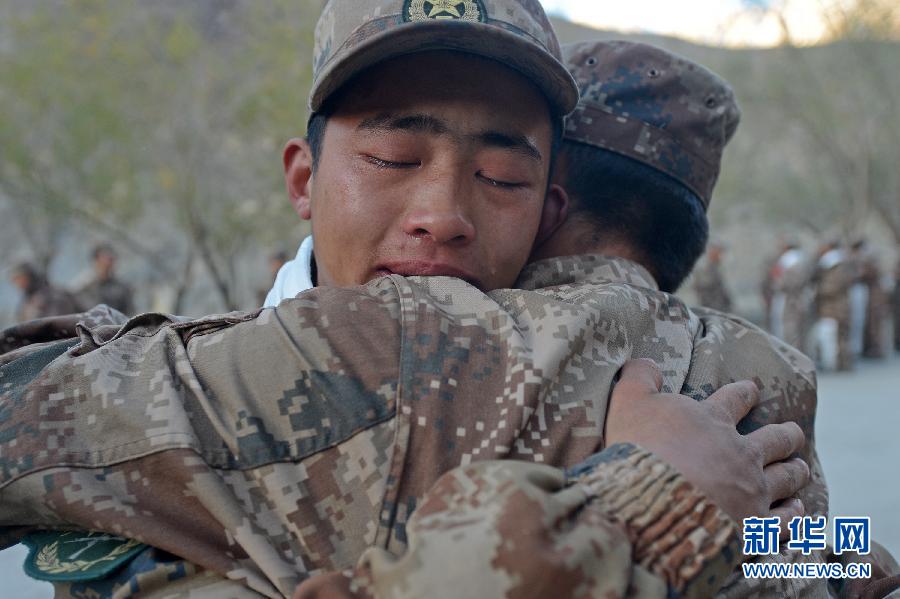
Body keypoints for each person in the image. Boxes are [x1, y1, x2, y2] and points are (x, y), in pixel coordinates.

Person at [0, 25, 823, 599]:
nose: (444, 211)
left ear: (548, 206)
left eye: (498, 174)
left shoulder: (403, 340)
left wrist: (638, 505)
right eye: (396, 156)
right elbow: (829, 550)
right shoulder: (767, 380)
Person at [811, 240, 855, 371]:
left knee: (840, 335)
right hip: (830, 307)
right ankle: (837, 363)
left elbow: (833, 287)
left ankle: (843, 364)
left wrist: (817, 290)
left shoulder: (837, 265)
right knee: (833, 336)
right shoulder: (827, 264)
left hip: (836, 307)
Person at [768, 239, 812, 350]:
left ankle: (793, 360)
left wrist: (777, 283)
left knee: (790, 331)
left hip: (790, 301)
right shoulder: (803, 259)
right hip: (800, 300)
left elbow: (782, 283)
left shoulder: (788, 260)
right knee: (800, 332)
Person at [9, 262, 81, 323]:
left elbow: (58, 322)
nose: (18, 283)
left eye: (20, 277)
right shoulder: (25, 304)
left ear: (29, 275)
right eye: (15, 280)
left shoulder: (53, 293)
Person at [76, 243, 135, 315]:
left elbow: (130, 312)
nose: (109, 263)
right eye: (105, 259)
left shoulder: (122, 287)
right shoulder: (83, 285)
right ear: (96, 260)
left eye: (111, 259)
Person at [692, 239, 733, 312]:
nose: (720, 254)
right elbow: (701, 288)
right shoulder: (704, 269)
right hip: (711, 309)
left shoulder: (718, 267)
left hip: (723, 309)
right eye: (718, 251)